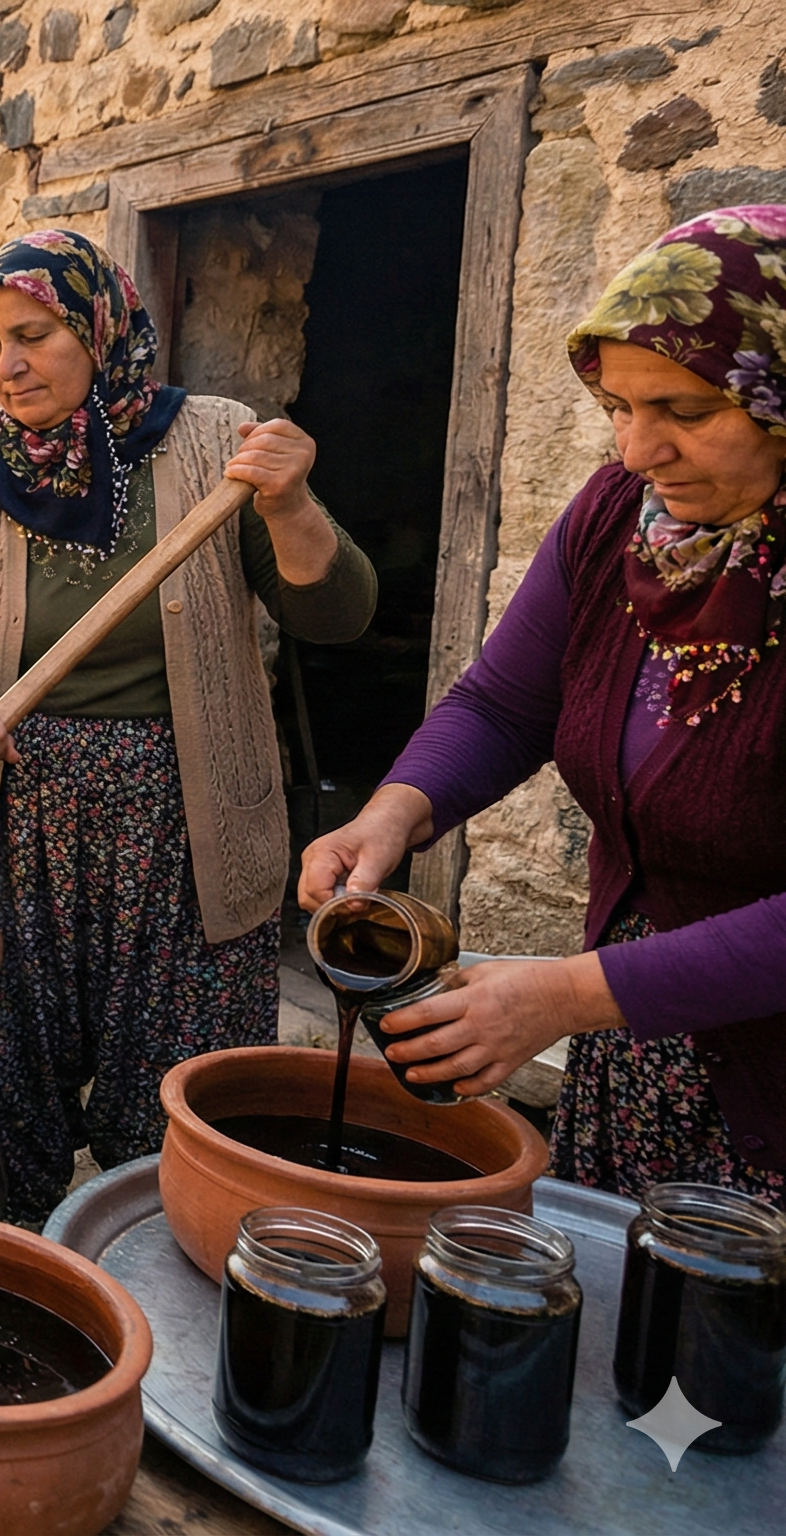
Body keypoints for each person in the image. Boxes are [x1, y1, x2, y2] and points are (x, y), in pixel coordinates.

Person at [0, 229, 380, 1224]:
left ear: (97, 329)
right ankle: (14, 1288)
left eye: (32, 334)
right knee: (0, 1102)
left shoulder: (212, 448)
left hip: (183, 839)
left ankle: (150, 1308)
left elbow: (336, 615)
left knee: (173, 1117)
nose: (4, 366)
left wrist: (290, 504)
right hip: (17, 831)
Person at [303, 207, 786, 1202]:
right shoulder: (619, 522)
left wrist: (566, 995)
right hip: (639, 1039)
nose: (636, 448)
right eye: (615, 405)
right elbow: (503, 705)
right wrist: (391, 812)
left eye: (685, 411)